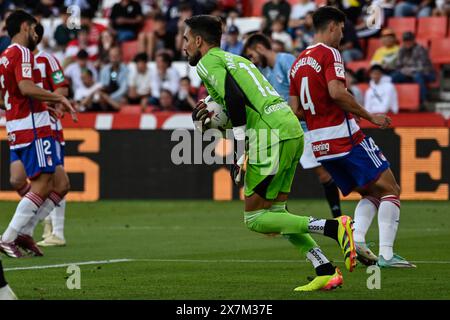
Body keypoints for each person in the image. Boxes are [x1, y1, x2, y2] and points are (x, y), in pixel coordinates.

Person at [186, 15, 357, 292]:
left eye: (185, 40)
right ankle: (324, 269)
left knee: (255, 219)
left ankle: (334, 228)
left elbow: (234, 98)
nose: (183, 47)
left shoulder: (207, 63)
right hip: (288, 127)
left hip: (270, 135)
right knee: (277, 212)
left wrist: (240, 150)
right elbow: (237, 102)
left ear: (198, 40)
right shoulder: (237, 60)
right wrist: (218, 122)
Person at [289, 6, 415, 268]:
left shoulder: (297, 63)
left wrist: (320, 116)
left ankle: (357, 240)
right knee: (391, 188)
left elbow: (296, 110)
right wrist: (370, 116)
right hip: (345, 138)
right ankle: (388, 255)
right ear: (333, 26)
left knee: (370, 192)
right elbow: (336, 92)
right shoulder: (330, 53)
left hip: (320, 145)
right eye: (342, 29)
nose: (342, 35)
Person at [0, 10, 75, 258]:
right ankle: (8, 237)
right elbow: (25, 87)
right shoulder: (21, 53)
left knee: (61, 182)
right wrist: (57, 97)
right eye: (33, 28)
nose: (35, 33)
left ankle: (26, 231)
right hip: (33, 127)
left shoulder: (5, 57)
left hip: (21, 124)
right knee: (42, 184)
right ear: (24, 27)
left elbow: (6, 97)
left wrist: (45, 104)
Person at [243, 33, 342, 218]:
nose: (252, 60)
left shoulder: (285, 60)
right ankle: (282, 219)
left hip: (304, 129)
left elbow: (303, 87)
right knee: (278, 175)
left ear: (259, 48)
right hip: (285, 130)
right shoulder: (265, 73)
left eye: (251, 55)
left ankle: (338, 218)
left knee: (324, 174)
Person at [391, 31, 435, 105]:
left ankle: (423, 101)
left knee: (418, 76)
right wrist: (403, 70)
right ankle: (395, 101)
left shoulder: (420, 49)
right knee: (394, 76)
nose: (407, 42)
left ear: (413, 40)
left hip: (426, 73)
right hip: (407, 73)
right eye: (405, 40)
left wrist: (410, 70)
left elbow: (423, 66)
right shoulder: (401, 50)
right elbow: (398, 65)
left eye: (409, 40)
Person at [99, 46, 128, 111]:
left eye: (116, 56)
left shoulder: (126, 70)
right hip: (106, 97)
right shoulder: (105, 70)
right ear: (109, 57)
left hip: (118, 97)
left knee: (124, 100)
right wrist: (106, 97)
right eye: (112, 56)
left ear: (120, 56)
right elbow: (103, 86)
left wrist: (110, 98)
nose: (114, 58)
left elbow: (123, 89)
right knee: (100, 97)